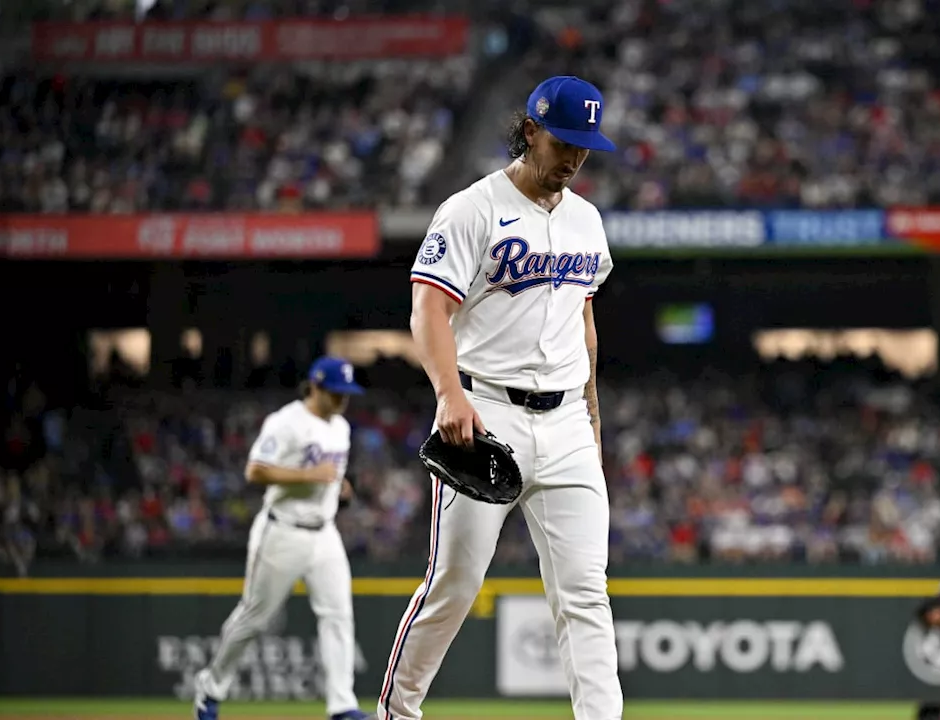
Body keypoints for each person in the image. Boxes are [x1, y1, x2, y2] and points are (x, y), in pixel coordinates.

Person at [377, 75, 622, 720]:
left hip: (567, 418)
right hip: (486, 415)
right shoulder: (472, 209)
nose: (573, 157)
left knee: (585, 595)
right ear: (531, 129)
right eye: (564, 141)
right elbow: (427, 310)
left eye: (585, 146)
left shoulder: (587, 220)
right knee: (454, 585)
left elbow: (583, 323)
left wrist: (592, 418)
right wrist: (450, 394)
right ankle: (397, 712)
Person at [194, 356, 369, 720]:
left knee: (338, 616)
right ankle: (210, 687)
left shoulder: (341, 427)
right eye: (336, 393)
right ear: (315, 387)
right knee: (254, 617)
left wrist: (339, 486)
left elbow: (328, 475)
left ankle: (342, 706)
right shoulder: (287, 422)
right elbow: (254, 470)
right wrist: (308, 476)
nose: (342, 400)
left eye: (346, 394)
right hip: (282, 530)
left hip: (325, 532)